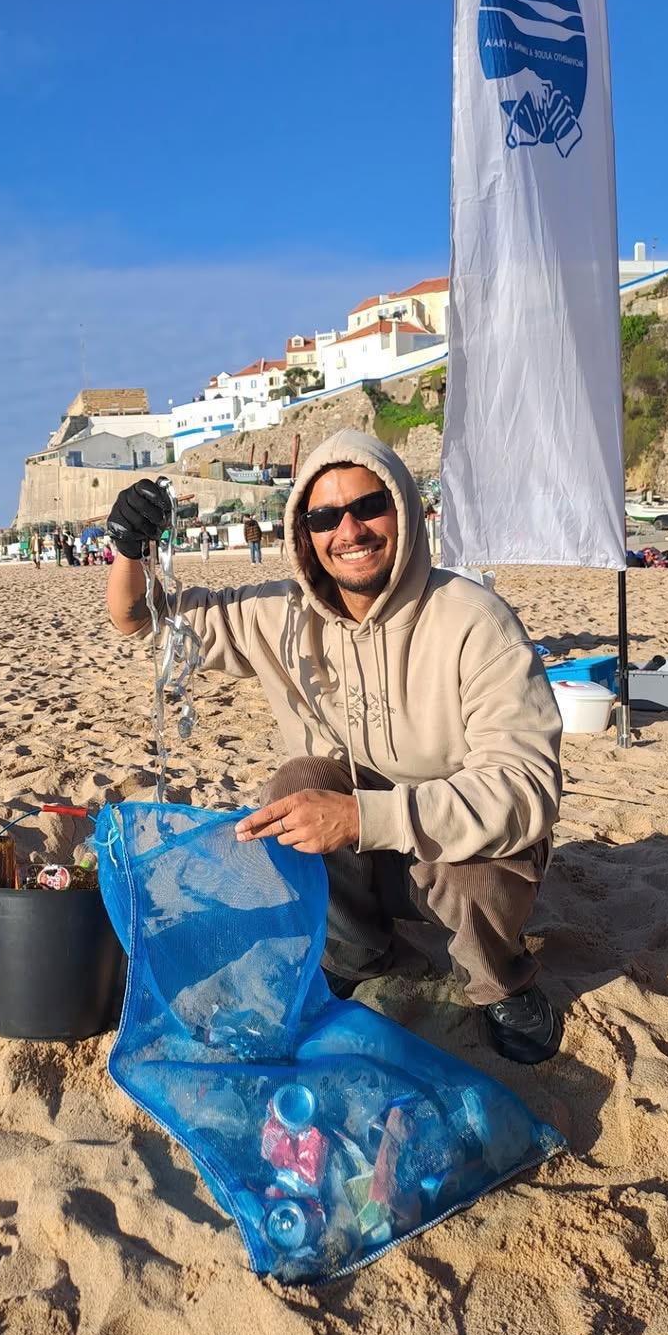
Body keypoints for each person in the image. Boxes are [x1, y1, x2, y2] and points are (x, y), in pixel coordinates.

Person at [106, 431, 563, 1064]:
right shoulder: (281, 614)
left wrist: (360, 816)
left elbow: (526, 791)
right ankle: (359, 951)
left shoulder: (475, 622)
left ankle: (502, 984)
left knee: (472, 869)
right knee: (288, 790)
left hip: (458, 857)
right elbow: (140, 618)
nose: (349, 530)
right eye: (324, 516)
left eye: (368, 506)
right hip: (367, 858)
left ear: (401, 508)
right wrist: (132, 548)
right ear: (305, 535)